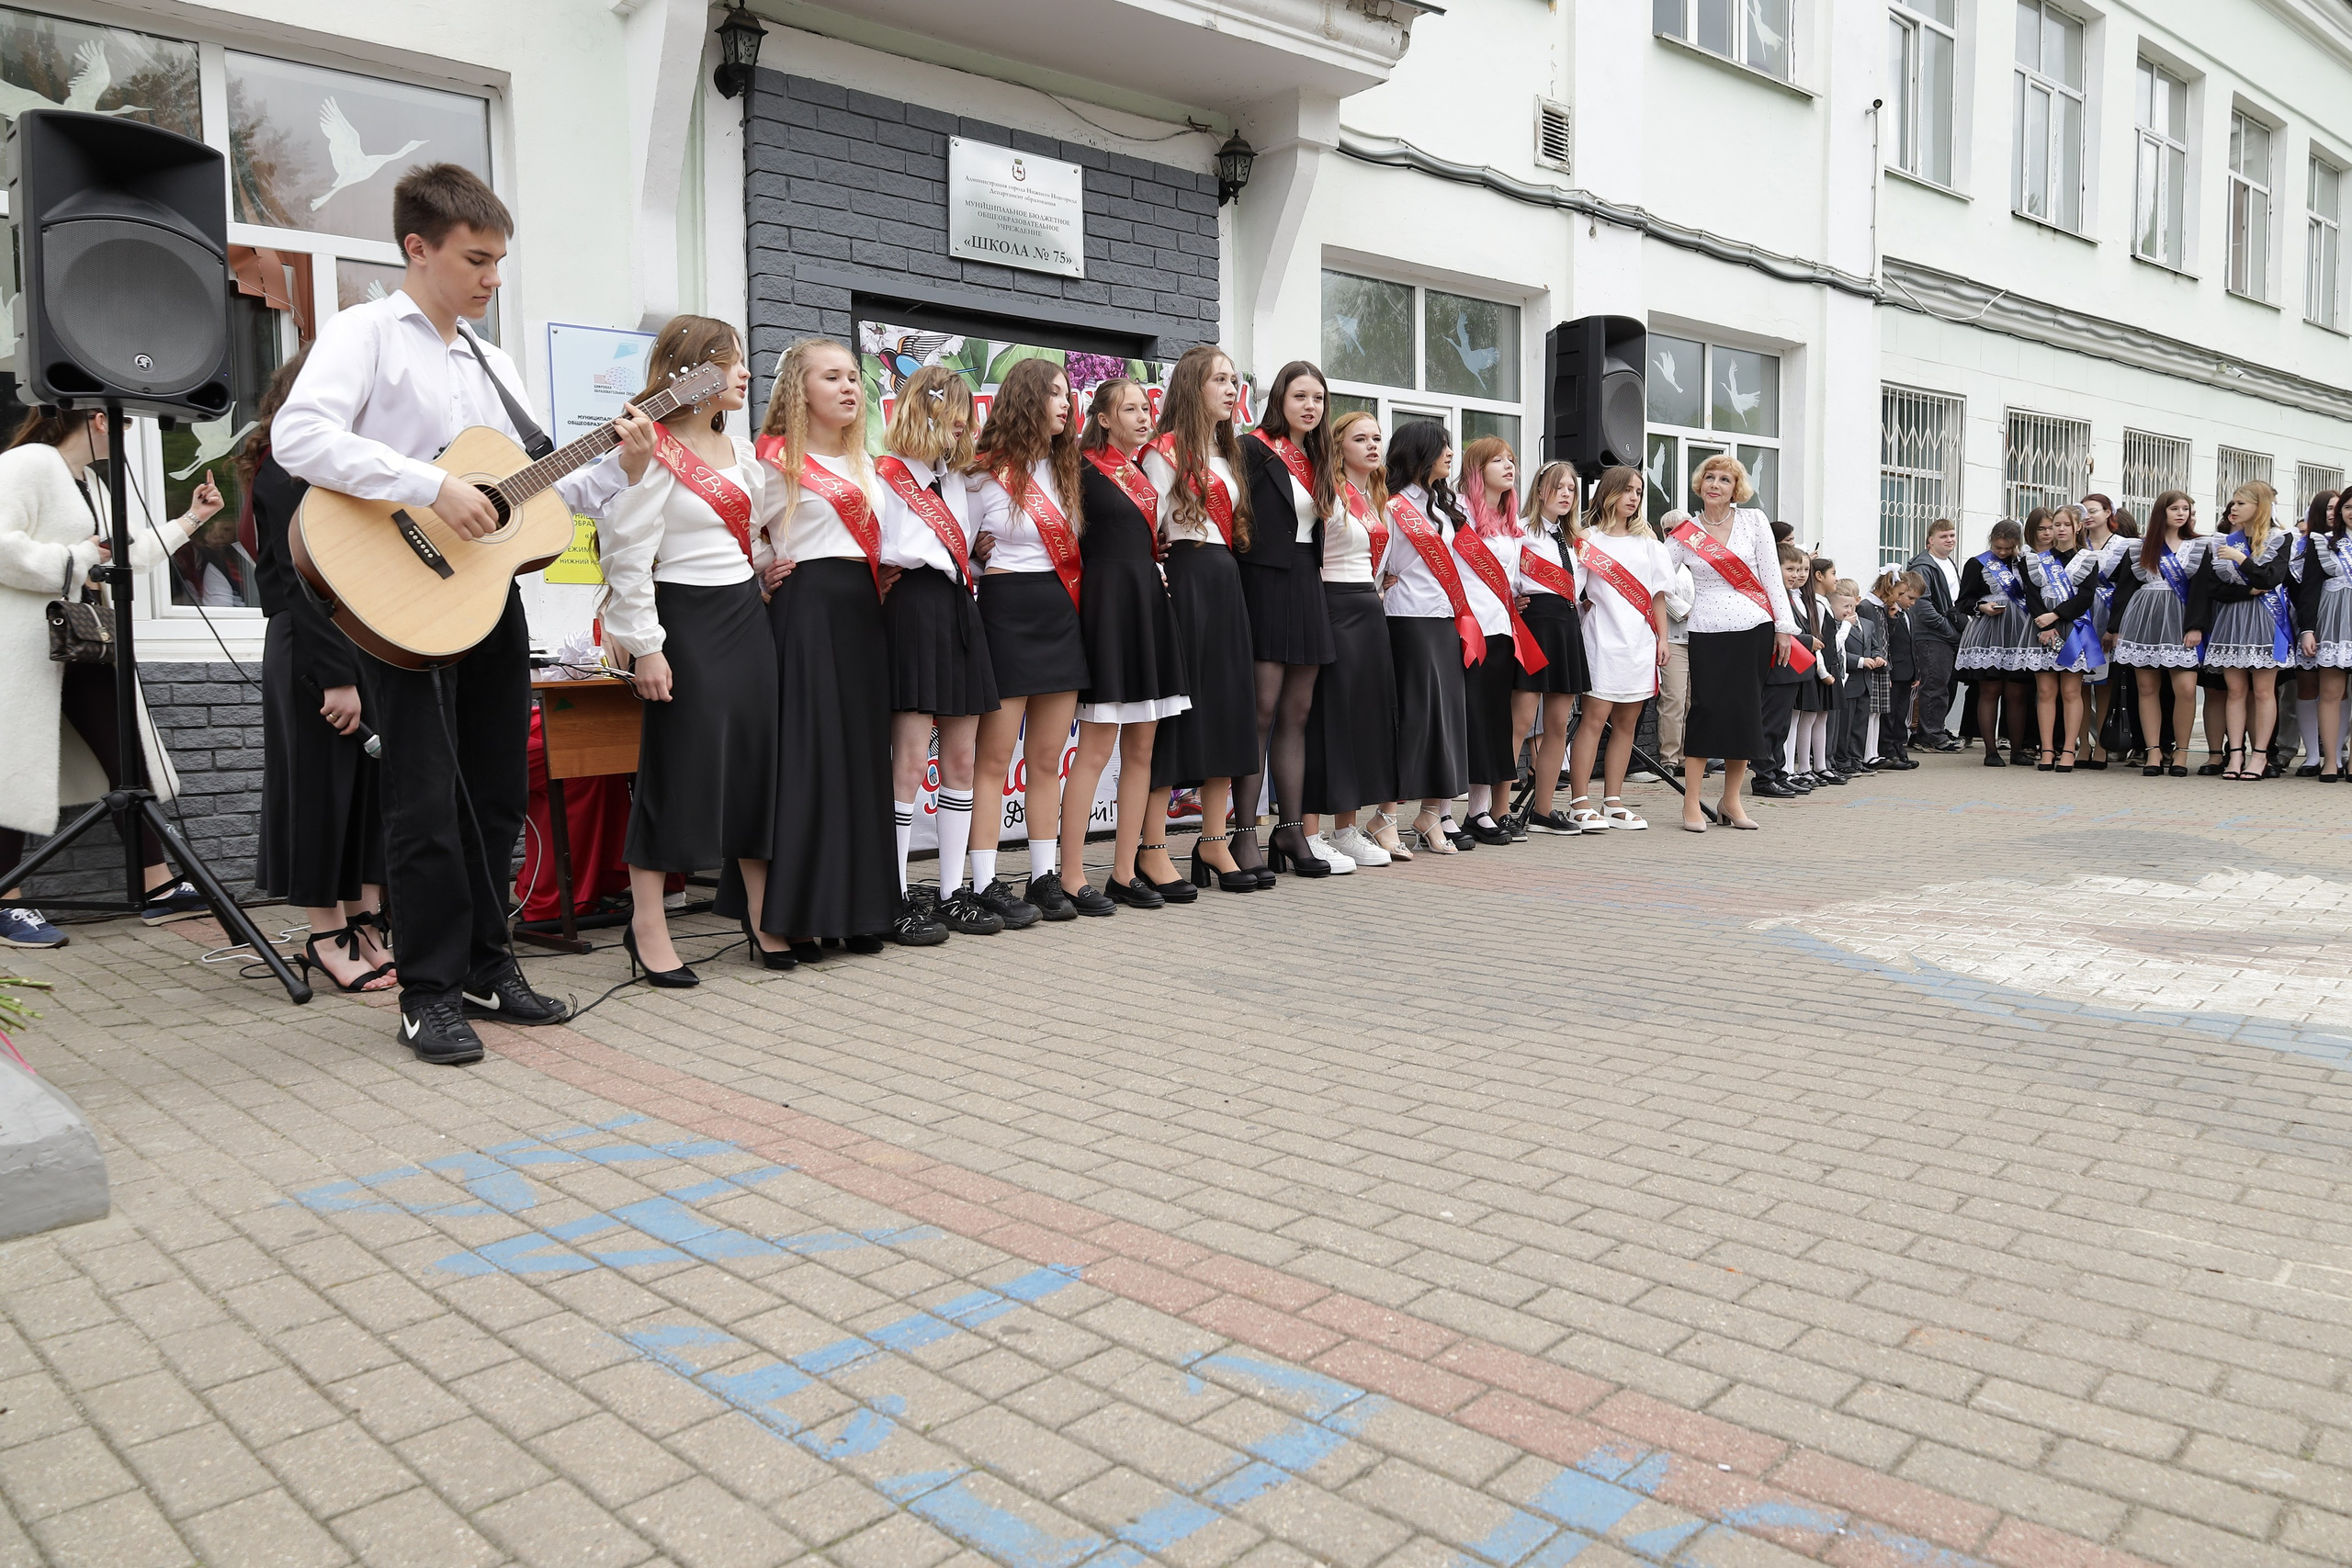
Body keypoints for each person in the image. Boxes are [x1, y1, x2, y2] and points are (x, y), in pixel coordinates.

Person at [274, 163, 645, 1063]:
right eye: (476, 259)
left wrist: (624, 462)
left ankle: (486, 964)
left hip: (489, 596)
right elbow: (299, 437)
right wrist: (431, 484)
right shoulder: (365, 333)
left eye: (499, 260)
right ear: (417, 248)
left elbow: (538, 492)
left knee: (490, 791)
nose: (492, 278)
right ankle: (427, 992)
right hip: (398, 596)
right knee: (422, 796)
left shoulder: (493, 362)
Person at [599, 317, 784, 983]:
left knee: (758, 766)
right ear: (693, 371)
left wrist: (767, 566)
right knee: (680, 771)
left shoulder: (741, 453)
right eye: (731, 362)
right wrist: (647, 647)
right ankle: (647, 926)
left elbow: (748, 538)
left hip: (745, 618)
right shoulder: (653, 450)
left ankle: (763, 917)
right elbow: (626, 556)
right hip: (686, 620)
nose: (744, 374)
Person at [0, 411, 223, 950]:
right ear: (100, 420)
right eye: (122, 424)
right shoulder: (27, 464)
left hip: (80, 642)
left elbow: (126, 553)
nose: (127, 433)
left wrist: (191, 519)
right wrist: (78, 558)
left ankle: (157, 885)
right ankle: (6, 900)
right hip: (24, 647)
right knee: (12, 765)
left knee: (126, 758)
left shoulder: (94, 485)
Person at [736, 338, 910, 957]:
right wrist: (761, 570)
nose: (847, 387)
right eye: (830, 376)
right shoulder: (772, 460)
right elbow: (734, 529)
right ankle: (795, 914)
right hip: (804, 613)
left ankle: (858, 910)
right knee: (809, 762)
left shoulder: (868, 462)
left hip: (863, 616)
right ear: (798, 389)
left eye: (853, 377)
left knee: (860, 761)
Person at [244, 348, 394, 990]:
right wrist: (337, 677)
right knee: (318, 793)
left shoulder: (345, 466)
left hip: (361, 642)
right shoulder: (285, 469)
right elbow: (300, 584)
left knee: (364, 793)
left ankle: (366, 921)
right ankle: (325, 933)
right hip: (314, 648)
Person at [874, 366, 1004, 939]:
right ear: (919, 410)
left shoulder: (957, 481)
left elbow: (966, 554)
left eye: (963, 414)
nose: (960, 425)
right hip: (911, 607)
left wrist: (976, 552)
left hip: (958, 607)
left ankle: (953, 892)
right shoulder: (884, 476)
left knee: (961, 759)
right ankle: (894, 891)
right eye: (951, 412)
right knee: (906, 761)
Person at [963, 356, 1087, 925]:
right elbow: (952, 546)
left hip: (1060, 612)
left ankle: (1043, 877)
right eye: (1057, 394)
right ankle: (985, 883)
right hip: (1007, 611)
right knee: (994, 758)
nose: (1067, 404)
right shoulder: (981, 472)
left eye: (1069, 395)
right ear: (1028, 399)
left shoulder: (1068, 469)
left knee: (1046, 758)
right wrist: (976, 551)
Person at [1067, 377, 1193, 909]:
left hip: (1146, 604)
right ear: (1102, 418)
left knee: (1143, 745)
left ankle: (1124, 870)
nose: (1144, 417)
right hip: (1105, 608)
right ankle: (1069, 875)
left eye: (1147, 409)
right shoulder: (1077, 470)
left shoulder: (1144, 472)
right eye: (1131, 409)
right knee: (1095, 749)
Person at [1140, 347, 1261, 889]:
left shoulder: (1225, 452)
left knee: (1228, 709)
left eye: (1235, 381)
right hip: (1185, 581)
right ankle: (1152, 846)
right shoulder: (1163, 452)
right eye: (1220, 380)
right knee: (1178, 712)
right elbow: (1149, 530)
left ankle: (1214, 841)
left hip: (1225, 579)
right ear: (1193, 386)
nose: (1232, 390)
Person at [1237, 362, 1336, 874]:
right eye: (1301, 396)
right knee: (1261, 712)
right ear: (1281, 398)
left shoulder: (1317, 458)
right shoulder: (1251, 448)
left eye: (1318, 398)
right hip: (1264, 581)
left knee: (1297, 715)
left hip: (1305, 581)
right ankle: (1243, 834)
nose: (1311, 406)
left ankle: (1292, 831)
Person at [1665, 454, 1795, 832]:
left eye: (1724, 479)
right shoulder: (1687, 531)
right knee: (1705, 711)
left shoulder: (1753, 521)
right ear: (1700, 484)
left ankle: (1731, 800)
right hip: (1706, 630)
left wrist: (1783, 627)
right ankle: (1691, 803)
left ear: (1736, 488)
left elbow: (1772, 577)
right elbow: (1656, 575)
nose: (1715, 484)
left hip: (1754, 627)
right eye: (1709, 477)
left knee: (1745, 714)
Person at [1302, 411, 1404, 863]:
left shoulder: (1375, 495)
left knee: (1363, 718)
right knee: (1329, 718)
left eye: (1377, 438)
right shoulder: (1324, 489)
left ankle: (1346, 828)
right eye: (1360, 438)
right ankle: (1308, 831)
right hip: (1331, 604)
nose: (1372, 445)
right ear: (1338, 444)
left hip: (1368, 608)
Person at [1378, 420, 1477, 853]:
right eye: (1442, 447)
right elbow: (1375, 567)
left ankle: (1432, 813)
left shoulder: (1441, 507)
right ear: (1419, 452)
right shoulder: (1391, 505)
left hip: (1443, 620)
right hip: (1408, 621)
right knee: (1414, 720)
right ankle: (1385, 818)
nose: (1450, 453)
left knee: (1447, 720)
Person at [1566, 467, 1668, 830]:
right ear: (1608, 492)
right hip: (1602, 638)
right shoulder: (1585, 538)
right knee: (1593, 721)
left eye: (1639, 491)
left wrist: (1662, 638)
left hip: (1639, 641)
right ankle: (1580, 802)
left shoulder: (1648, 542)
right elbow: (1571, 589)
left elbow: (1657, 594)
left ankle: (1613, 801)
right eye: (1626, 490)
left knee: (1627, 724)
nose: (1633, 497)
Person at [1454, 436, 1544, 845]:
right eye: (1497, 460)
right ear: (1477, 469)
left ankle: (1479, 811)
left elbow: (1508, 580)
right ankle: (1439, 812)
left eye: (1511, 459)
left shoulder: (1511, 525)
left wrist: (1516, 595)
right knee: (1466, 720)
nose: (1509, 466)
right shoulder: (1457, 514)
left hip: (1503, 631)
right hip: (1467, 629)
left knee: (1493, 721)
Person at [2188, 479, 2292, 779]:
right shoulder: (2222, 540)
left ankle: (2259, 756)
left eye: (2241, 503)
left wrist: (2242, 560)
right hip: (2231, 618)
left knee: (2262, 690)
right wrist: (2247, 591)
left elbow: (2271, 578)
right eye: (2233, 503)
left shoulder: (2279, 538)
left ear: (2260, 507)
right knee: (2234, 690)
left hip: (2265, 620)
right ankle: (2235, 756)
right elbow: (2214, 587)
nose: (2234, 508)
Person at [1510, 460, 1589, 834]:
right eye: (1558, 487)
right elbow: (1502, 576)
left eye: (1571, 489)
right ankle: (1496, 811)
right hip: (1534, 624)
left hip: (1566, 625)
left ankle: (1543, 810)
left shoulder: (1574, 540)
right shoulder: (1519, 531)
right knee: (1521, 720)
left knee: (1558, 723)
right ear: (1540, 490)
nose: (1565, 495)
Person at [2111, 490, 2205, 776]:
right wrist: (2114, 628)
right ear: (2161, 512)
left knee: (2186, 689)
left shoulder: (2199, 546)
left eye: (2185, 509)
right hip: (2144, 620)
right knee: (2147, 688)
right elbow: (2125, 589)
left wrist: (2197, 626)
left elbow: (2202, 590)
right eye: (2175, 508)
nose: (2181, 513)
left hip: (2181, 621)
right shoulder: (2140, 548)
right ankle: (2152, 751)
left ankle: (2181, 751)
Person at [1954, 519, 2038, 767]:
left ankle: (2016, 750)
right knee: (1989, 690)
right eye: (1998, 547)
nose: (2002, 552)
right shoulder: (1977, 563)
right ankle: (1990, 751)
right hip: (1989, 632)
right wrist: (1982, 606)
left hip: (2019, 631)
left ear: (2017, 544)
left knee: (2016, 692)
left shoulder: (2026, 563)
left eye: (2007, 548)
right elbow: (1963, 601)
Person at [2027, 504, 2095, 772]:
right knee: (2045, 691)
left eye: (2067, 524)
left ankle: (2068, 749)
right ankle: (2046, 750)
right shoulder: (2035, 560)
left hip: (2072, 627)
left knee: (2070, 691)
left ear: (2077, 527)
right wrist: (2044, 623)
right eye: (2057, 525)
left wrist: (2054, 616)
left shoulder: (2088, 558)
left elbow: (2085, 597)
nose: (2061, 529)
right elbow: (2031, 595)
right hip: (2042, 629)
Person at [2296, 489, 2350, 780]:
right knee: (2330, 693)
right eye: (2348, 507)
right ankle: (2330, 760)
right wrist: (2308, 629)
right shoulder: (2324, 543)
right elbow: (2309, 589)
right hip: (2332, 624)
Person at [1756, 543, 1817, 795]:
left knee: (1782, 727)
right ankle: (1763, 777)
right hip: (1776, 669)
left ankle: (1779, 772)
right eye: (1789, 568)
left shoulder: (1790, 596)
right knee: (1769, 725)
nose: (1795, 574)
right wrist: (1807, 642)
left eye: (1799, 569)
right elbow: (1772, 631)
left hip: (1790, 670)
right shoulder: (1770, 597)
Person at [2289, 491, 2338, 775]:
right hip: (2306, 620)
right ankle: (2311, 755)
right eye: (2329, 508)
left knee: (2338, 689)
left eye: (2338, 507)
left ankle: (2337, 755)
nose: (2334, 512)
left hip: (2340, 621)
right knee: (2307, 686)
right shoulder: (2303, 545)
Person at [1783, 550, 1842, 789]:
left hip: (1815, 663)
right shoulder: (1805, 602)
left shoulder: (1809, 600)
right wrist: (1821, 670)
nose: (1800, 575)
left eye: (1804, 570)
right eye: (1795, 569)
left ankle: (1815, 766)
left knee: (1816, 715)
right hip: (1803, 663)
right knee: (1797, 717)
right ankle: (1791, 768)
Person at [1905, 518, 1964, 750]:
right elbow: (1922, 606)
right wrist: (1949, 630)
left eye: (1952, 535)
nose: (1949, 540)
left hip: (1945, 633)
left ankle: (1933, 728)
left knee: (1947, 685)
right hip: (1931, 635)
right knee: (1934, 685)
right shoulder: (1923, 566)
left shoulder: (1948, 562)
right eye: (1943, 536)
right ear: (1930, 541)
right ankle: (1930, 737)